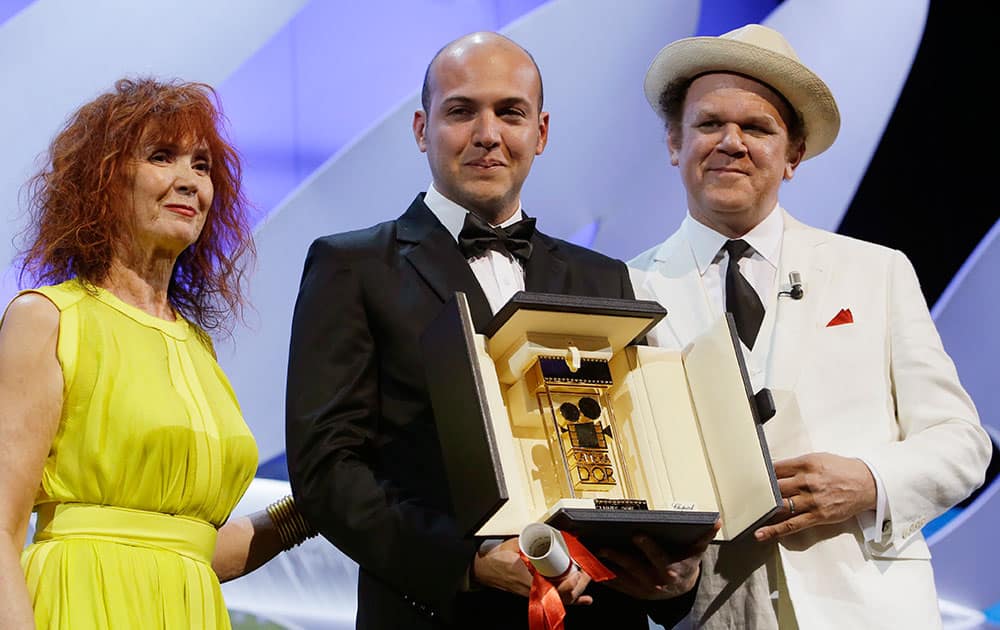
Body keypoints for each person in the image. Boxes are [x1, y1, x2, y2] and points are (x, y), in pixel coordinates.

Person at [285, 31, 714, 630]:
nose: (487, 134)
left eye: (509, 112)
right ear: (420, 129)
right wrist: (468, 563)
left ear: (539, 133)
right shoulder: (352, 266)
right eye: (461, 111)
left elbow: (637, 455)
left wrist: (669, 580)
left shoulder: (603, 277)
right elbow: (327, 469)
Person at [628, 23, 991, 629]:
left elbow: (963, 444)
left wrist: (871, 481)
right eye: (710, 123)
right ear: (674, 141)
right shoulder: (626, 287)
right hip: (709, 613)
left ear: (792, 155)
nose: (731, 143)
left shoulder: (876, 271)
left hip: (867, 608)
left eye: (758, 128)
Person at [0, 77, 315, 629]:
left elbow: (192, 553)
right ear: (102, 179)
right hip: (77, 606)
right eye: (161, 157)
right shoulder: (48, 318)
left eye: (201, 165)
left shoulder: (198, 347)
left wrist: (316, 508)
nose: (189, 181)